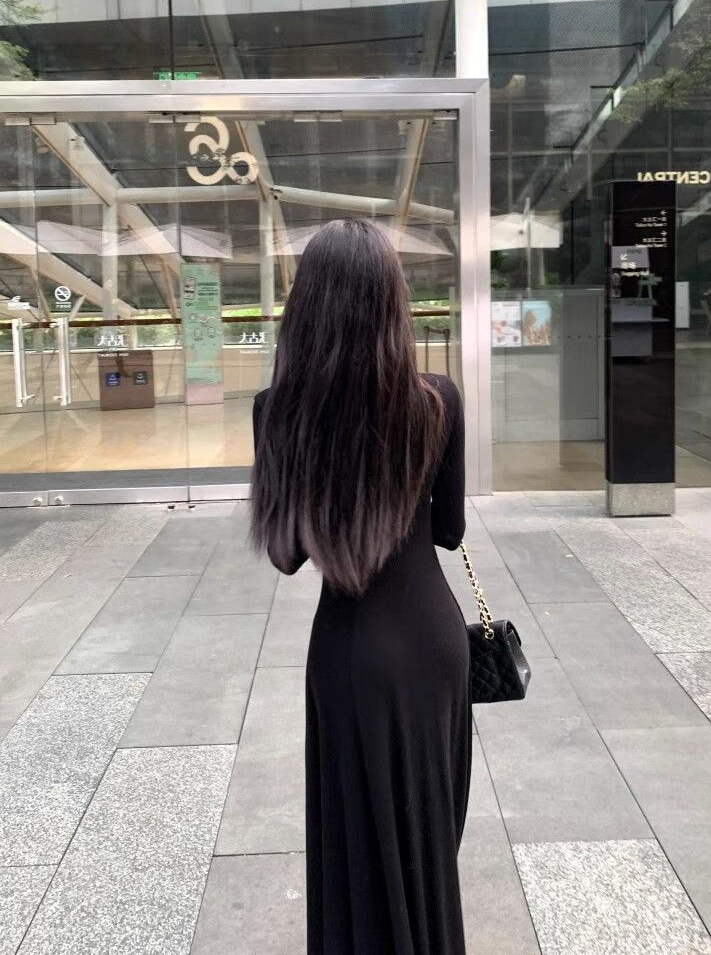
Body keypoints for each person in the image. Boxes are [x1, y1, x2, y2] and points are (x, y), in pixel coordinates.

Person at [250, 217, 470, 955]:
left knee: (352, 837)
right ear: (392, 300)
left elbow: (285, 556)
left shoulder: (277, 410)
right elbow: (449, 532)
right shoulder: (438, 400)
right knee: (426, 840)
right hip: (431, 645)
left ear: (305, 306)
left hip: (345, 651)